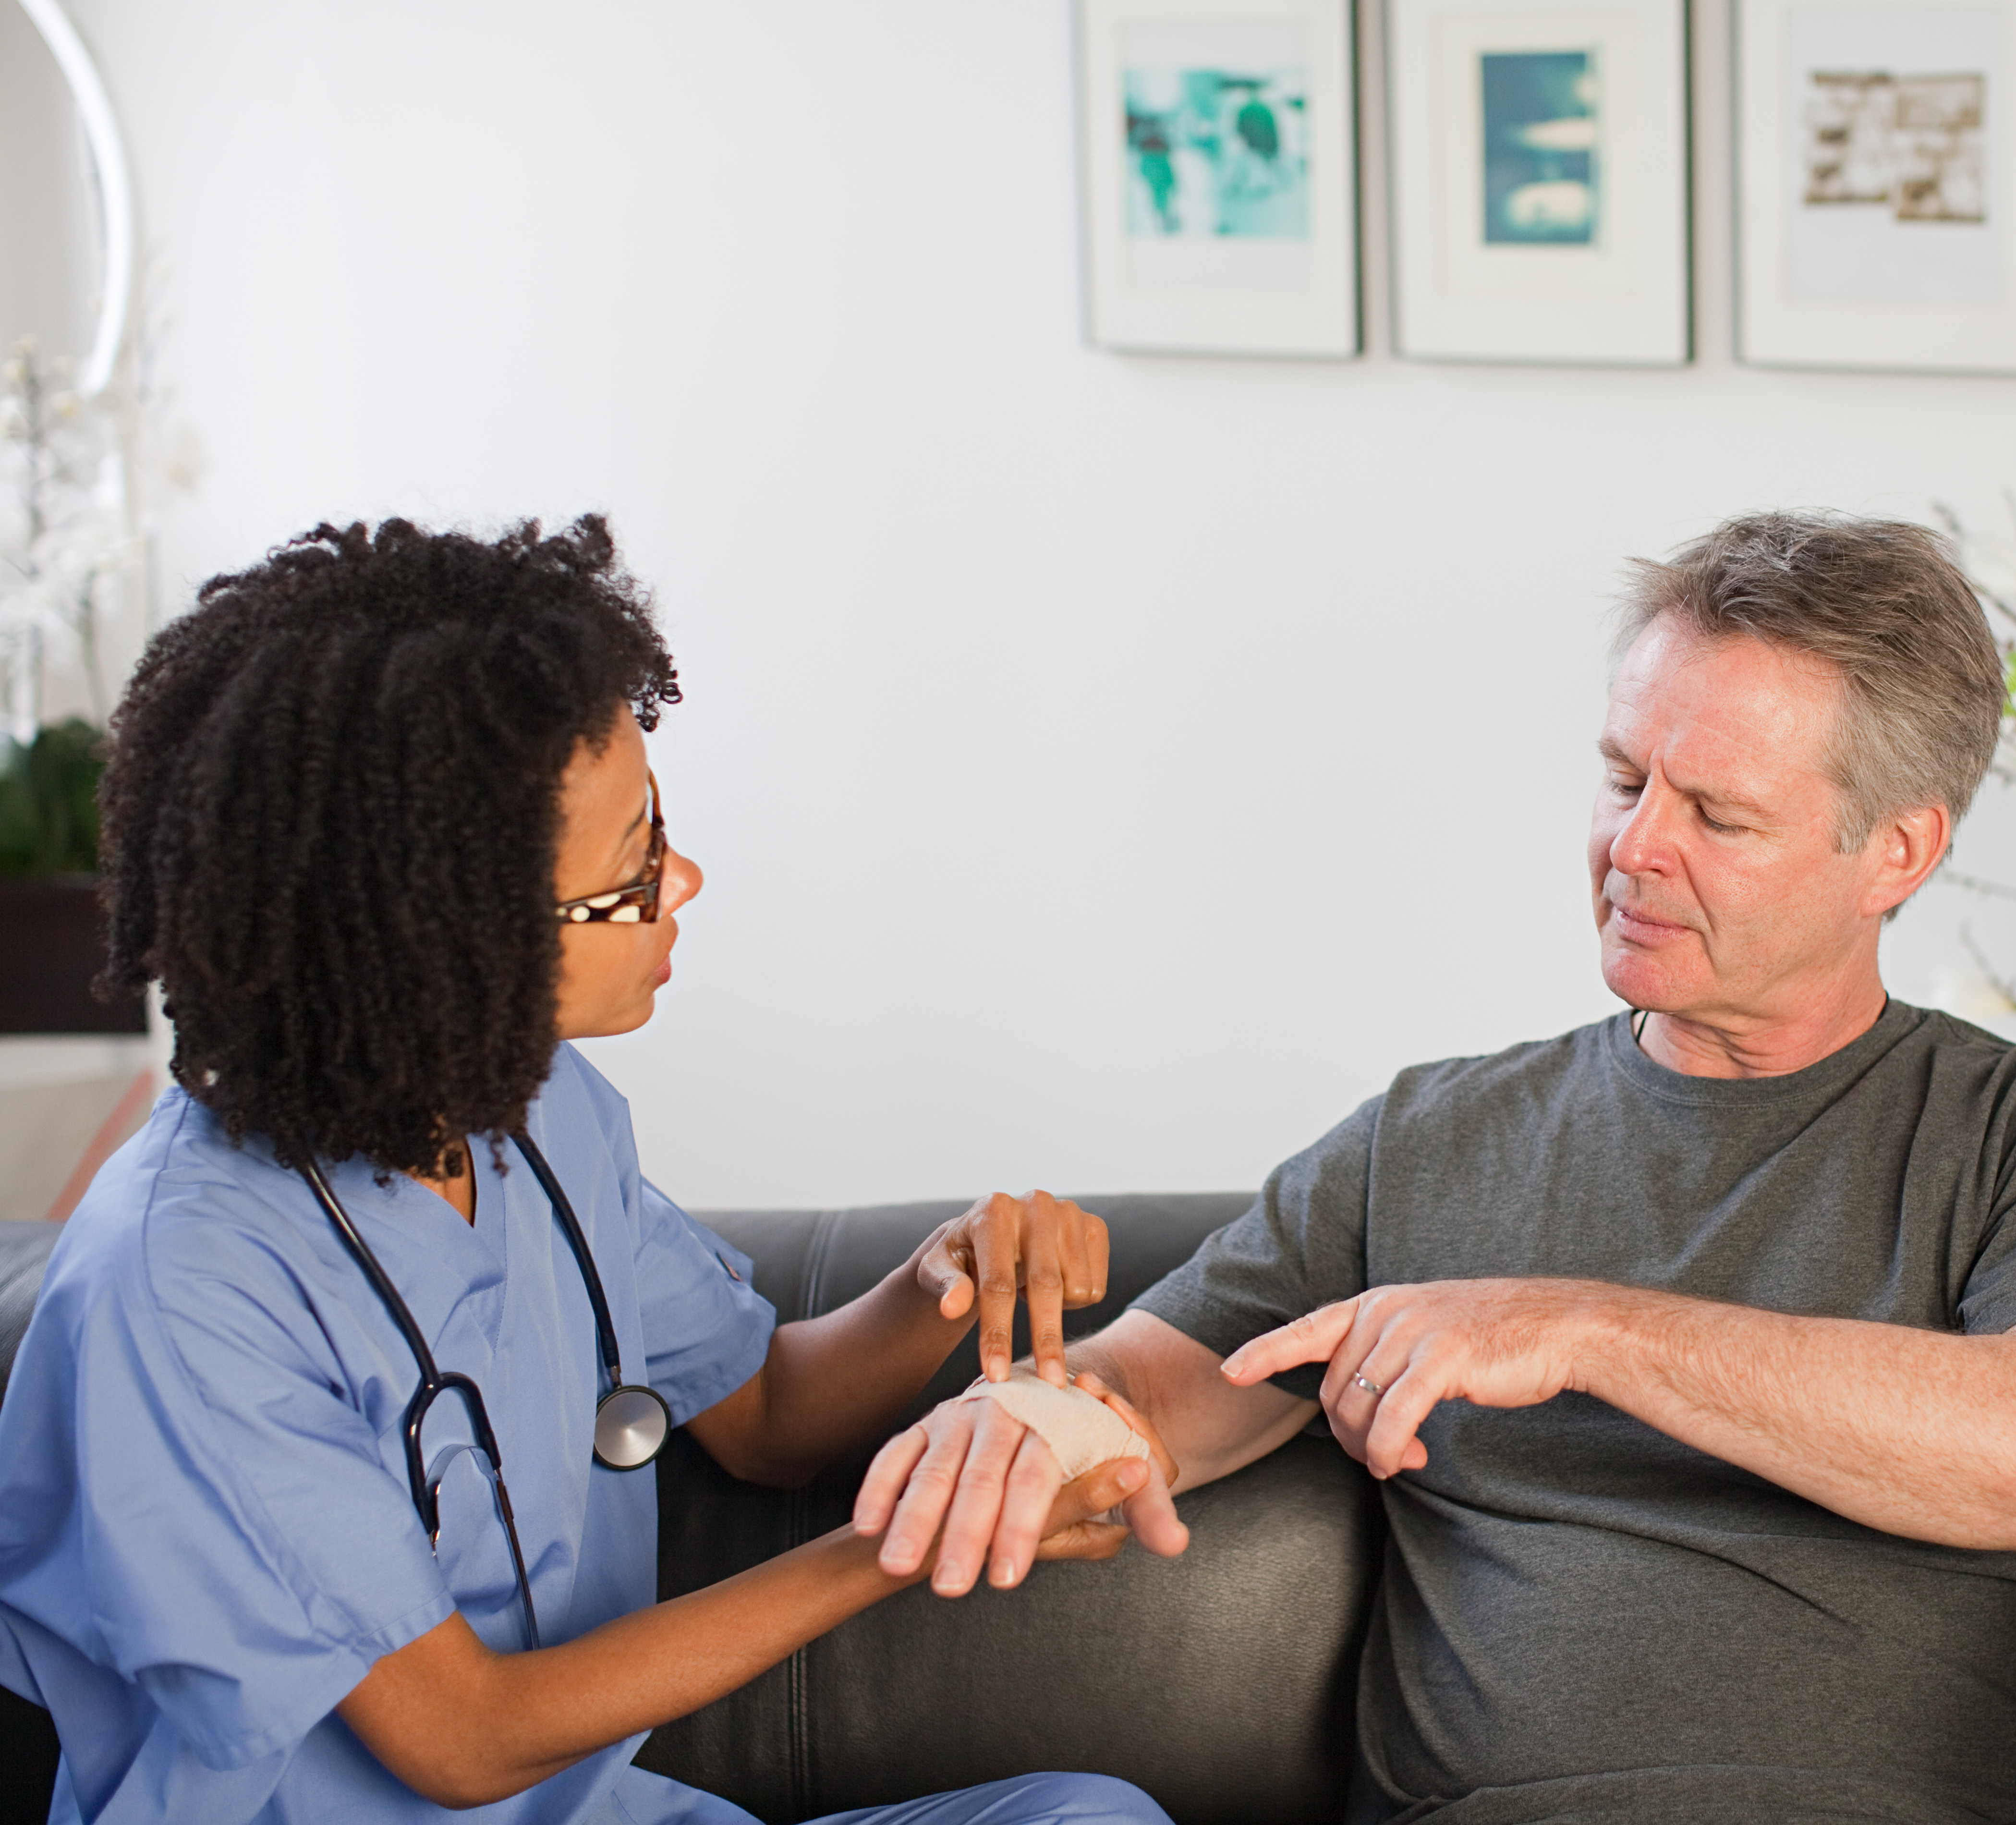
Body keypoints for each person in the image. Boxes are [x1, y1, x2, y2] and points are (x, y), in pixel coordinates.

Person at [855, 511, 2016, 1824]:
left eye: (1719, 815)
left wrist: (1581, 1328)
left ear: (1896, 851)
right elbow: (1169, 1386)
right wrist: (1039, 1416)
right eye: (1625, 778)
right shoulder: (1430, 1138)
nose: (1632, 848)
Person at [0, 519, 1178, 1825]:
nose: (680, 881)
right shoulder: (182, 1289)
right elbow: (461, 1740)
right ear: (444, 935)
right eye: (627, 876)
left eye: (657, 828)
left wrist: (943, 1279)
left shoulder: (537, 1116)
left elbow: (770, 1419)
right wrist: (905, 1544)